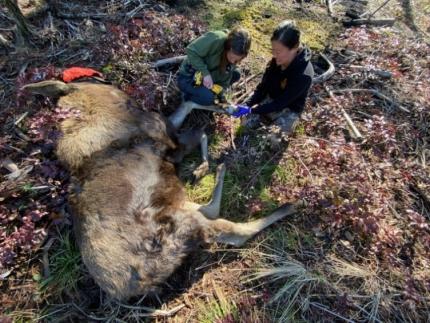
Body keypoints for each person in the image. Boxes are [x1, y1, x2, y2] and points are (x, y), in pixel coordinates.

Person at [239, 20, 314, 134]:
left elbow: (281, 103)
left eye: (278, 52)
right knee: (246, 124)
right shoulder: (276, 61)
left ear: (294, 47)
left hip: (289, 108)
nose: (274, 55)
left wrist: (252, 110)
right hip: (271, 100)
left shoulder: (304, 74)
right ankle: (263, 120)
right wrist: (247, 105)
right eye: (272, 50)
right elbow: (262, 87)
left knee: (274, 139)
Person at [169, 27, 251, 129]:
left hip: (210, 79)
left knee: (236, 74)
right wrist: (205, 73)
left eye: (237, 59)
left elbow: (225, 81)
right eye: (232, 57)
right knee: (209, 98)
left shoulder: (233, 59)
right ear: (228, 47)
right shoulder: (216, 39)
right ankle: (189, 98)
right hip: (188, 78)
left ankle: (204, 95)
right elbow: (191, 51)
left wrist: (223, 99)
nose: (233, 61)